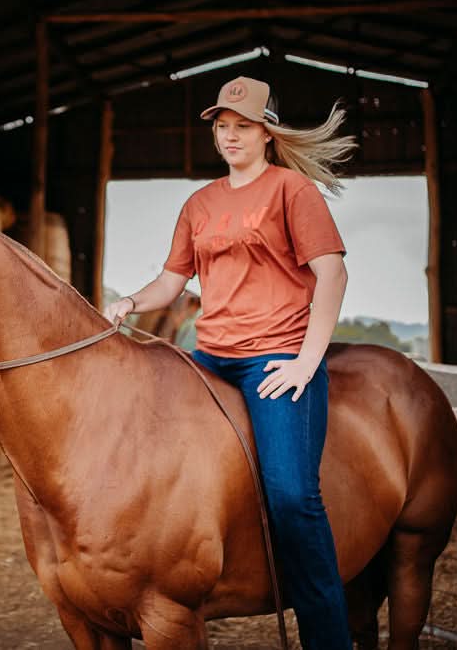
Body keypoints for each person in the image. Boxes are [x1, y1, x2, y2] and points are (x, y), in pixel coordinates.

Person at [103, 76, 355, 649]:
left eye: (243, 126)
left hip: (276, 357)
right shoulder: (200, 203)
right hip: (209, 356)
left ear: (266, 132)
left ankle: (328, 636)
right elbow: (172, 282)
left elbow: (333, 273)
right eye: (223, 126)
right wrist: (127, 302)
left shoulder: (292, 191)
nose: (231, 136)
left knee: (293, 496)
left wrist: (306, 362)